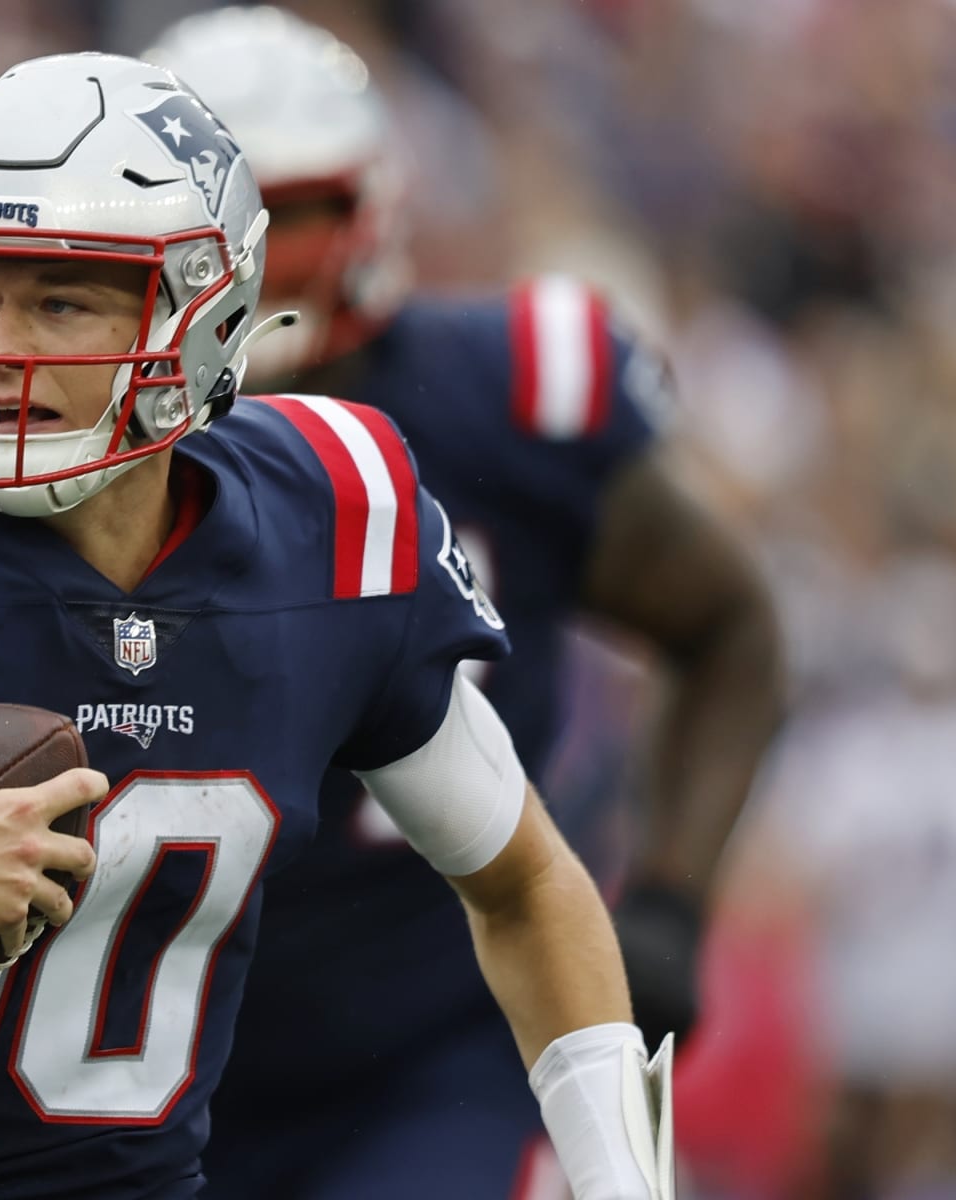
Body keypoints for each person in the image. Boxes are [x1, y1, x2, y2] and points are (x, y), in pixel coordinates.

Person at [0, 54, 675, 1200]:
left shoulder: (331, 518)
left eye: (59, 298)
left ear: (206, 314)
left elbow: (526, 886)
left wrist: (622, 1177)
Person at [141, 9, 785, 1197]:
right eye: (222, 227)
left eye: (298, 219)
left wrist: (674, 898)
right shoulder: (86, 451)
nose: (256, 266)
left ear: (373, 212)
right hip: (141, 1060)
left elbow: (731, 626)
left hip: (438, 1053)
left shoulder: (506, 401)